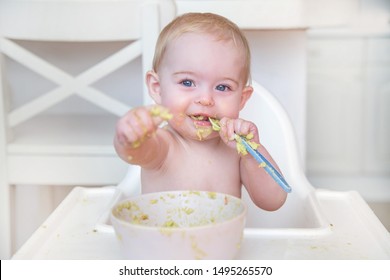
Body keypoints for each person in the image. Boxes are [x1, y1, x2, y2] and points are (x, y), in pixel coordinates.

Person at [114, 13, 287, 211]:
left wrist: (251, 151)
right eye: (187, 83)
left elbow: (274, 201)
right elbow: (137, 152)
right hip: (164, 242)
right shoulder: (164, 144)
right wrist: (130, 136)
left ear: (242, 98)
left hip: (224, 242)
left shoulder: (236, 151)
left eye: (222, 87)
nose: (205, 99)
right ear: (157, 87)